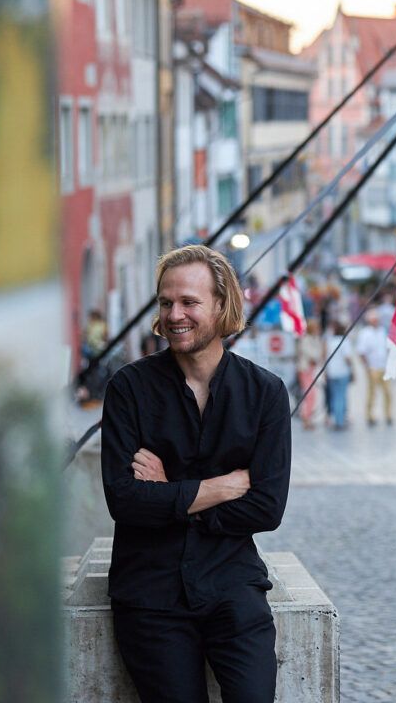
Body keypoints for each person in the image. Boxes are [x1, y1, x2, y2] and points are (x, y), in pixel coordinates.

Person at [100, 244, 290, 703]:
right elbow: (123, 500)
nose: (174, 315)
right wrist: (218, 488)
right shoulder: (129, 388)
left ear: (222, 305)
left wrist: (170, 494)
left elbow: (267, 507)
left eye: (189, 302)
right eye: (166, 303)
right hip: (150, 593)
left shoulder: (264, 393)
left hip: (233, 585)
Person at [356, 308, 392, 426]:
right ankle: (370, 415)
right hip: (373, 367)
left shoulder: (382, 331)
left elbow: (387, 347)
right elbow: (361, 352)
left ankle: (388, 414)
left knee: (387, 392)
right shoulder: (365, 333)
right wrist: (367, 366)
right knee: (372, 393)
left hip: (383, 366)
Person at [295, 319, 325, 431]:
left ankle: (308, 417)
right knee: (309, 394)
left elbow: (319, 353)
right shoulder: (306, 339)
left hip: (312, 370)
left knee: (313, 394)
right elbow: (311, 353)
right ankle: (306, 418)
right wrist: (316, 357)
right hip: (305, 369)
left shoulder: (315, 339)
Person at [323, 321, 352, 430]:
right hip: (342, 372)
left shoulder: (330, 341)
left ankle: (335, 417)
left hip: (332, 372)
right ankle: (340, 421)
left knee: (334, 396)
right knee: (341, 396)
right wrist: (351, 368)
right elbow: (347, 358)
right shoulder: (345, 342)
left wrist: (326, 371)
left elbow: (325, 357)